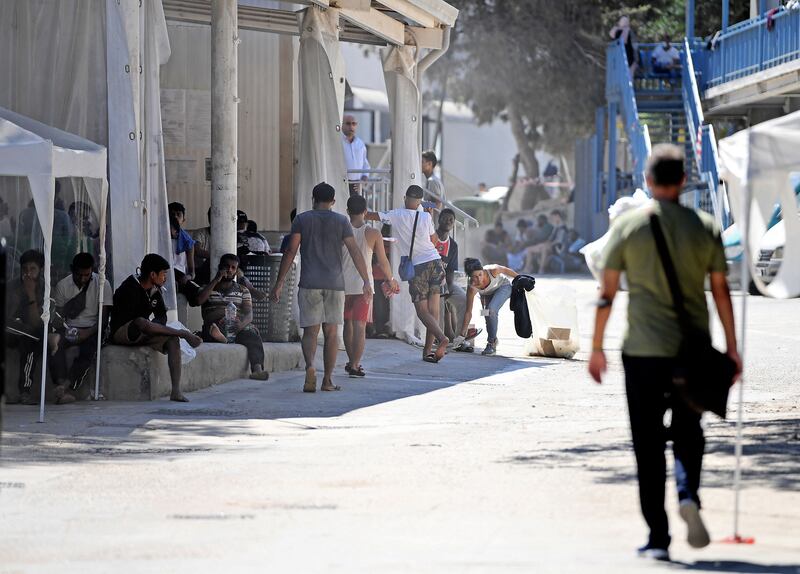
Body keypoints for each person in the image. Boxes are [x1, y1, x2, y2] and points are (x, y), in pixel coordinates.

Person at [588, 144, 742, 561]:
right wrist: (732, 348)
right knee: (689, 430)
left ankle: (658, 537)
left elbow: (606, 295)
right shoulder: (705, 226)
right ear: (684, 182)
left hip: (641, 352)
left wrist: (596, 348)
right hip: (691, 350)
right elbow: (722, 292)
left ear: (649, 181)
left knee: (648, 442)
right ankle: (688, 492)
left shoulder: (628, 227)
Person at [271, 182, 373, 392]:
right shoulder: (341, 221)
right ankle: (327, 380)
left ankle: (310, 366)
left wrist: (279, 281)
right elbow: (354, 251)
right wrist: (366, 280)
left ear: (313, 199)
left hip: (309, 283)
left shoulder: (302, 219)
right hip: (335, 285)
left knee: (310, 331)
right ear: (333, 202)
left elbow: (291, 251)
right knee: (332, 333)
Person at [367, 185, 450, 363]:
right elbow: (434, 241)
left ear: (405, 198)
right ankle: (428, 351)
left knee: (422, 310)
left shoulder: (396, 214)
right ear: (420, 201)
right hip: (435, 263)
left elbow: (371, 215)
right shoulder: (426, 216)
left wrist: (357, 211)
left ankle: (442, 338)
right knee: (433, 311)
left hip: (419, 267)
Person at [109, 253, 202, 402]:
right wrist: (180, 332)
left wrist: (157, 325)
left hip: (144, 332)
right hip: (123, 332)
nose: (165, 278)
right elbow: (136, 322)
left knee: (172, 340)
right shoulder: (130, 287)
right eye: (163, 274)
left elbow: (162, 316)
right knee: (141, 321)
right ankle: (183, 334)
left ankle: (176, 391)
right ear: (152, 274)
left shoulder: (155, 291)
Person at [341, 195, 398, 378]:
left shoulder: (341, 229)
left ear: (347, 211)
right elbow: (382, 261)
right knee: (360, 326)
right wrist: (391, 279)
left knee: (347, 324)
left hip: (342, 283)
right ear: (366, 212)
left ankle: (350, 361)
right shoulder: (373, 233)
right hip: (364, 285)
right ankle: (356, 365)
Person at [49, 252, 112, 403]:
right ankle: (60, 385)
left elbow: (104, 319)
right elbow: (57, 318)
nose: (83, 279)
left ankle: (67, 387)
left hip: (93, 328)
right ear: (72, 270)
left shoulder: (103, 284)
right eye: (79, 275)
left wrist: (87, 333)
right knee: (54, 344)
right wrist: (66, 327)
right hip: (68, 327)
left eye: (87, 275)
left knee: (89, 349)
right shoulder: (63, 286)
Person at [196, 253, 269, 380]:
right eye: (226, 266)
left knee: (252, 336)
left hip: (235, 327)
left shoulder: (242, 290)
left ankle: (257, 370)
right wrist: (216, 280)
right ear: (219, 267)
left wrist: (242, 325)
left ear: (236, 271)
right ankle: (221, 337)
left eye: (233, 268)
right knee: (209, 330)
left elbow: (249, 314)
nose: (229, 270)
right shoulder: (206, 288)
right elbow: (199, 300)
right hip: (214, 325)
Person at [6, 250, 45, 405]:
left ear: (40, 270)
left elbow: (36, 323)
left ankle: (25, 391)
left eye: (32, 269)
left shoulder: (44, 288)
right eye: (25, 269)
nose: (28, 274)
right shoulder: (13, 286)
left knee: (32, 340)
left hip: (30, 334)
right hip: (12, 330)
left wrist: (30, 294)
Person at [460, 258, 517, 356]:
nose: (479, 279)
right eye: (474, 277)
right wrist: (462, 334)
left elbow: (506, 270)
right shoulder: (472, 288)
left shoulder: (493, 270)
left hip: (503, 287)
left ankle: (491, 342)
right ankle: (493, 342)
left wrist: (520, 278)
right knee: (485, 314)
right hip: (486, 294)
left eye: (480, 275)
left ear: (483, 270)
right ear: (469, 277)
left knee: (491, 310)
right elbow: (468, 311)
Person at [434, 208, 463, 341]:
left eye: (451, 220)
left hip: (445, 283)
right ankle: (439, 337)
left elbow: (450, 270)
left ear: (454, 223)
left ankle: (460, 337)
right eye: (445, 218)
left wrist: (448, 288)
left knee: (463, 299)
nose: (448, 221)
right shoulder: (431, 238)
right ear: (439, 220)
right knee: (440, 303)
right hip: (429, 282)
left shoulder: (453, 245)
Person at [169, 212, 200, 305]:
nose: (175, 217)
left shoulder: (187, 241)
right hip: (165, 272)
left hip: (179, 276)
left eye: (179, 215)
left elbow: (192, 272)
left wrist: (188, 277)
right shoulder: (158, 239)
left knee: (196, 293)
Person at [342, 114, 370, 195]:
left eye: (354, 124)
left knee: (356, 207)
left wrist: (363, 180)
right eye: (348, 123)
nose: (351, 126)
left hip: (356, 185)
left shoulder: (360, 143)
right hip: (340, 183)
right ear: (342, 125)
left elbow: (365, 164)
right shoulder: (338, 142)